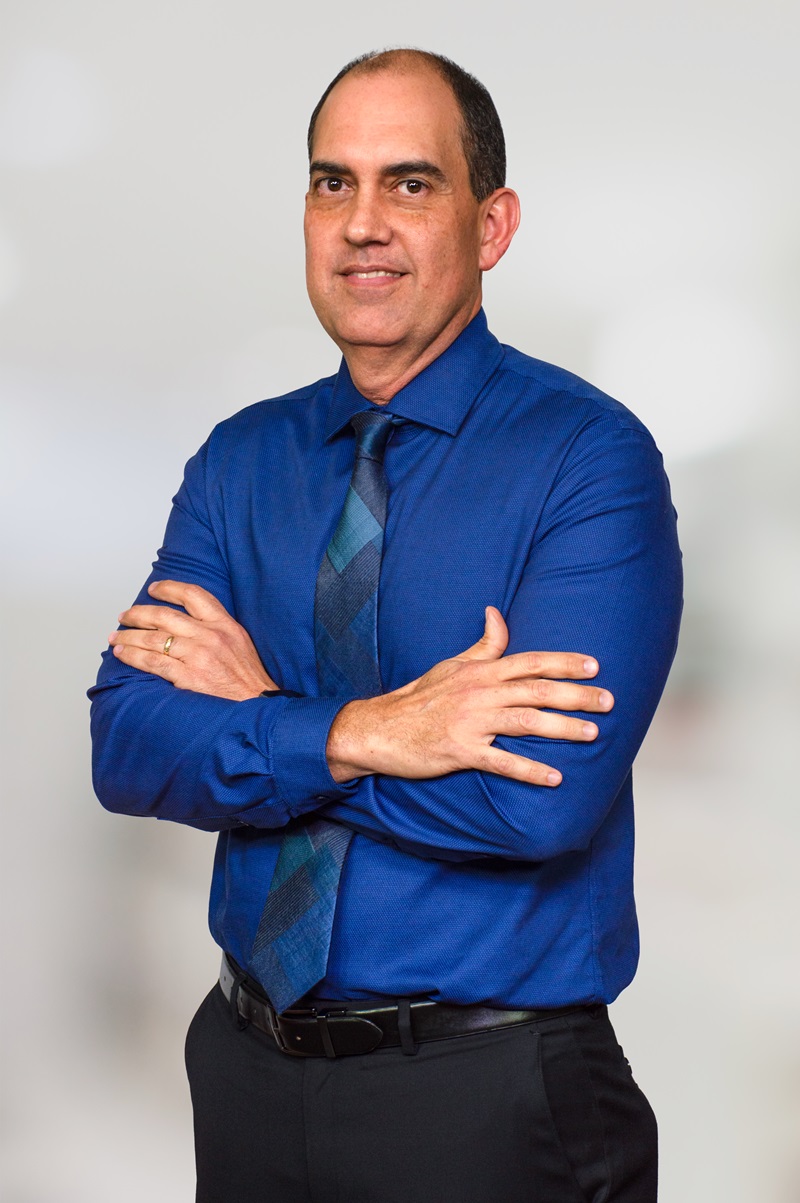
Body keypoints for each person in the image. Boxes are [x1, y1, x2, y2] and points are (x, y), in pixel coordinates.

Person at [90, 48, 682, 1203]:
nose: (362, 222)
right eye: (331, 183)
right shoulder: (238, 460)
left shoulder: (586, 460)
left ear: (490, 224)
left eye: (409, 184)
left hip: (486, 1097)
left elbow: (532, 803)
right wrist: (371, 730)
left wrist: (265, 723)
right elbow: (127, 746)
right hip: (246, 1071)